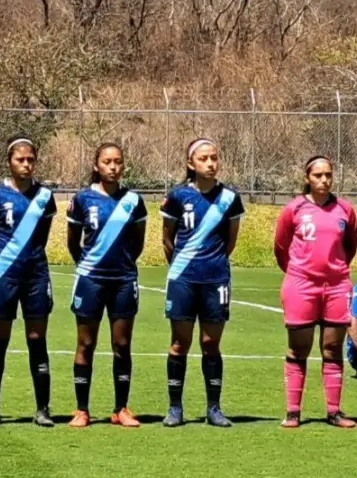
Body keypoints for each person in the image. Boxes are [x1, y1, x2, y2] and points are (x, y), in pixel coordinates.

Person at [160, 138, 245, 428]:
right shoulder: (177, 196)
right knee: (179, 343)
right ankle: (175, 408)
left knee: (211, 343)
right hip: (183, 279)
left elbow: (230, 241)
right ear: (190, 164)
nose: (211, 163)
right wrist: (183, 266)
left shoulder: (230, 198)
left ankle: (214, 408)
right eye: (204, 158)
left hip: (216, 279)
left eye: (214, 158)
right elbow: (167, 239)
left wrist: (213, 263)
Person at [65, 143, 148, 428]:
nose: (113, 167)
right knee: (86, 343)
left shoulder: (134, 201)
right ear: (96, 165)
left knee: (122, 344)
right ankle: (81, 409)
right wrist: (90, 266)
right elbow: (73, 242)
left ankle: (120, 409)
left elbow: (138, 243)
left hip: (124, 280)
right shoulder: (82, 200)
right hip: (90, 279)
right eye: (107, 162)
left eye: (118, 162)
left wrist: (122, 265)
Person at [274, 156, 357, 428]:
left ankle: (334, 411)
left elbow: (350, 246)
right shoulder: (294, 209)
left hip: (336, 286)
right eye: (318, 175)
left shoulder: (345, 210)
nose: (324, 180)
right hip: (301, 285)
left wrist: (335, 271)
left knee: (332, 348)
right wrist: (299, 271)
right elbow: (281, 246)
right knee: (299, 348)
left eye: (328, 175)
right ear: (307, 177)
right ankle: (293, 411)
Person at [0, 137, 57, 427]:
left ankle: (43, 409)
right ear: (9, 162)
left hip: (36, 275)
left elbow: (43, 236)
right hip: (5, 277)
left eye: (30, 160)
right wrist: (2, 261)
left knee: (37, 339)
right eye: (20, 160)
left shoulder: (45, 197)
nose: (26, 164)